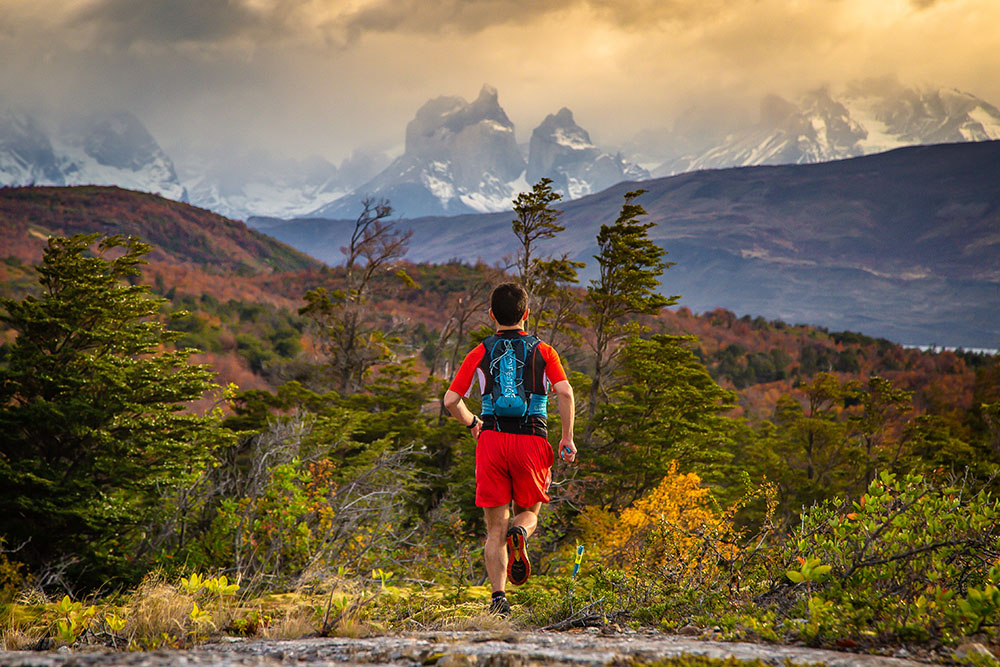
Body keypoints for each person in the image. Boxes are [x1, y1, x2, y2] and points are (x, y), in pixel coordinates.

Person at [443, 282, 576, 617]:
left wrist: (474, 423)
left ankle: (498, 599)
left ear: (491, 315)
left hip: (492, 441)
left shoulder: (480, 351)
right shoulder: (544, 351)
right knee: (529, 513)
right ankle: (521, 531)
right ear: (526, 314)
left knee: (494, 529)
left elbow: (450, 400)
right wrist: (567, 438)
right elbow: (565, 392)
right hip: (532, 440)